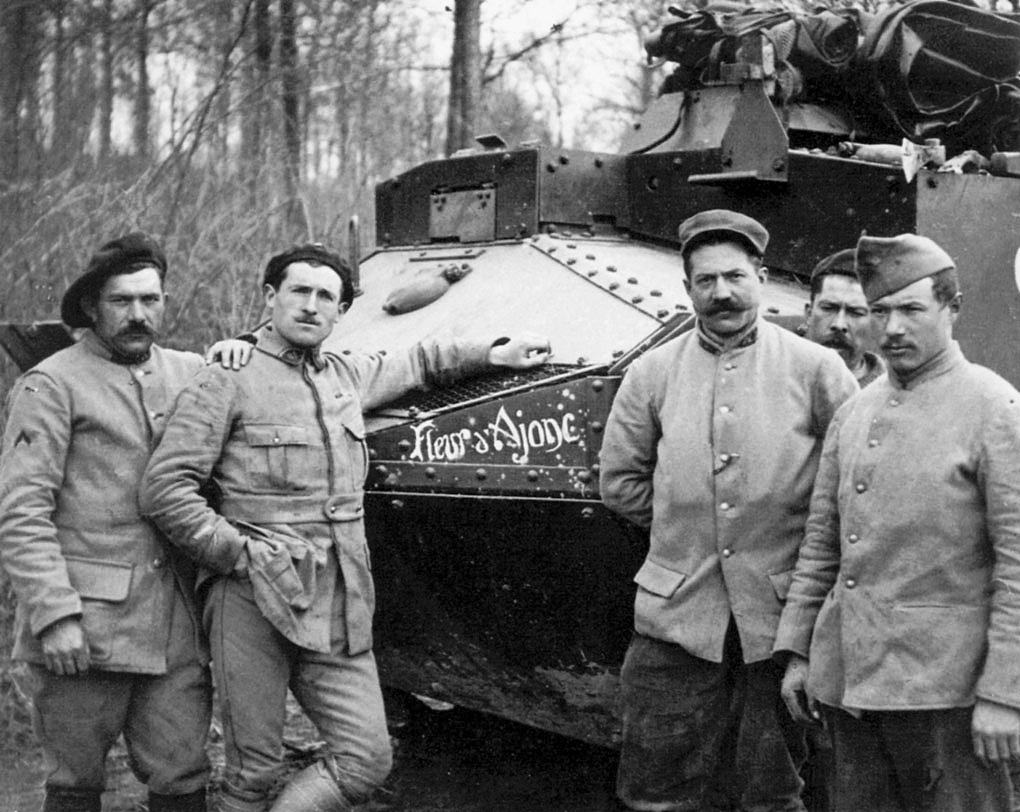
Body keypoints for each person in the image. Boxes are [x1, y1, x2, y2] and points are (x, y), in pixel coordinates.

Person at [138, 243, 552, 812]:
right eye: (299, 291)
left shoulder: (345, 376)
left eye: (325, 296)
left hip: (337, 597)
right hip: (251, 598)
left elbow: (420, 361)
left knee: (366, 759)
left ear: (341, 311)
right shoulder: (227, 379)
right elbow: (165, 489)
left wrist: (494, 353)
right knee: (253, 772)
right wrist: (235, 554)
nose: (310, 305)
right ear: (271, 297)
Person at [598, 210, 858, 812]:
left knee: (771, 790)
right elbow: (620, 482)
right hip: (676, 616)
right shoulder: (652, 373)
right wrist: (690, 531)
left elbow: (853, 486)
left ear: (761, 279)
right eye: (706, 280)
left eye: (736, 277)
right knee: (655, 790)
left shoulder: (817, 369)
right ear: (687, 288)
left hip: (781, 620)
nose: (722, 293)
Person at [0, 232, 252, 812]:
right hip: (83, 627)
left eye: (150, 299)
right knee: (75, 782)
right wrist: (54, 614)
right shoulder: (51, 384)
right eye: (122, 301)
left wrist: (240, 351)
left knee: (183, 776)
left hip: (176, 625)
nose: (139, 314)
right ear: (92, 307)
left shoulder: (193, 371)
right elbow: (22, 511)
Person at [775, 233, 1020, 812]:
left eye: (911, 310)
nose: (892, 329)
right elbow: (823, 546)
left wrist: (1004, 694)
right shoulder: (854, 412)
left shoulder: (996, 409)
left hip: (949, 698)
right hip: (853, 687)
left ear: (952, 308)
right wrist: (800, 653)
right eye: (880, 311)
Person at [802, 248, 885, 387]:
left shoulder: (893, 392)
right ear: (809, 314)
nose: (839, 324)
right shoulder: (771, 365)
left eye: (856, 313)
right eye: (828, 308)